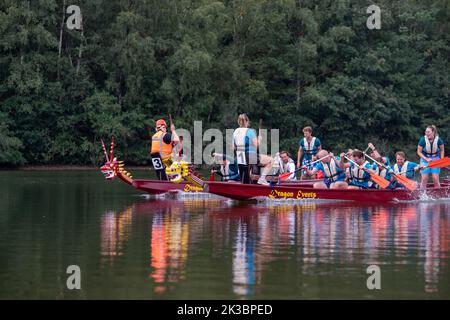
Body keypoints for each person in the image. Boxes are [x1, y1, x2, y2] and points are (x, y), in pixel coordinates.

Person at [233, 114, 273, 185]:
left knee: (247, 172)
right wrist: (259, 139)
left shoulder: (235, 132)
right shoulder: (250, 131)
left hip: (239, 156)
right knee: (271, 160)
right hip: (250, 155)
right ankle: (262, 179)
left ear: (238, 122)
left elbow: (233, 147)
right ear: (247, 121)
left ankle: (249, 184)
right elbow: (256, 145)